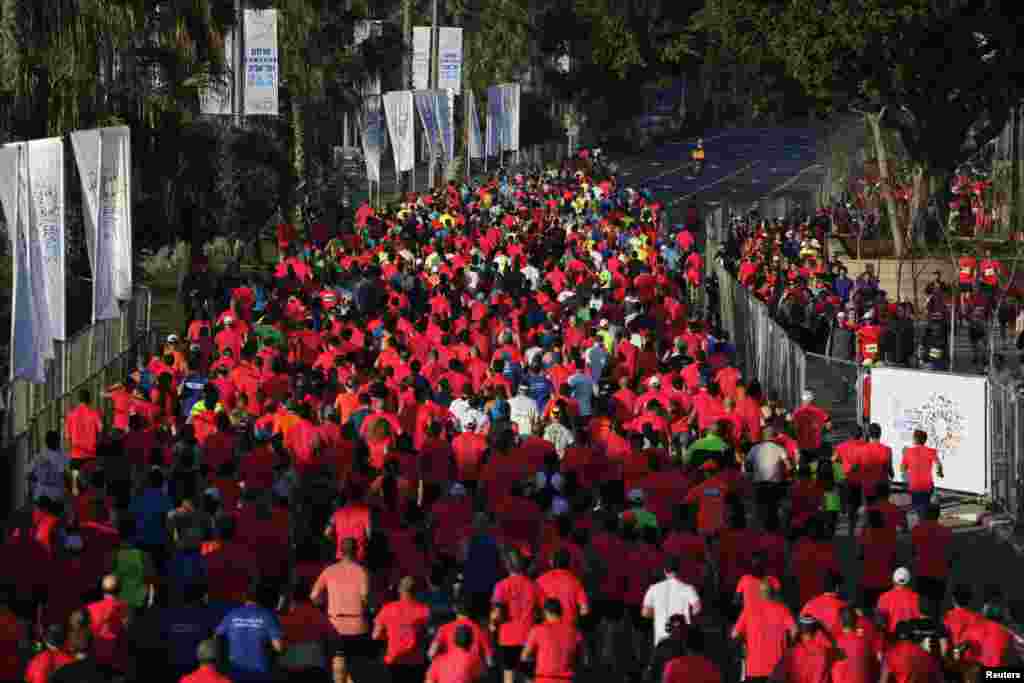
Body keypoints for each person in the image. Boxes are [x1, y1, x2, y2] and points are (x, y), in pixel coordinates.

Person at [311, 538, 370, 683]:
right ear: (357, 551)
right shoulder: (362, 572)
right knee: (355, 669)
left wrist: (324, 604)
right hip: (357, 625)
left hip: (334, 624)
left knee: (338, 667)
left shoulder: (329, 570)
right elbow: (365, 597)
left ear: (340, 551)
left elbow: (314, 596)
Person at [216, 577, 286, 682]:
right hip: (260, 675)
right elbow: (279, 648)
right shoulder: (268, 616)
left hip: (235, 673)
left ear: (245, 598)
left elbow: (217, 638)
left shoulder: (231, 614)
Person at [490, 550, 541, 683]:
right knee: (529, 676)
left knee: (509, 674)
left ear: (507, 565)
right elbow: (542, 610)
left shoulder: (501, 586)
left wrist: (493, 624)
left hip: (507, 638)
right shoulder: (534, 586)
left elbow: (497, 613)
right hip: (528, 636)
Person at [731, 581, 796, 682]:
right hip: (776, 669)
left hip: (754, 669)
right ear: (773, 593)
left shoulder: (748, 610)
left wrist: (744, 643)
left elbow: (734, 634)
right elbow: (794, 631)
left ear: (759, 593)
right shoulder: (782, 610)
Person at [372, 576, 430, 683]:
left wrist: (389, 636)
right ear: (416, 591)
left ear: (399, 590)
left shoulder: (387, 609)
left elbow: (376, 636)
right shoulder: (424, 610)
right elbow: (428, 635)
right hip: (416, 662)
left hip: (394, 660)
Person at [641, 555, 702, 646]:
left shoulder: (653, 589)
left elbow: (645, 613)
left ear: (665, 571)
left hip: (662, 635)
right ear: (679, 570)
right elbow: (697, 608)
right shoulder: (688, 588)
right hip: (682, 635)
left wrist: (660, 615)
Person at [522, 599, 583, 683]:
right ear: (561, 612)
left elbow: (525, 656)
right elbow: (579, 657)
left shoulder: (537, 630)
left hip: (543, 679)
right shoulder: (574, 631)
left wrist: (528, 679)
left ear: (546, 612)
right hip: (566, 679)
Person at [910, 504, 953, 616]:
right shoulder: (946, 531)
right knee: (937, 604)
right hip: (939, 572)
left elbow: (913, 551)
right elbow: (950, 554)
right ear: (938, 515)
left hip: (922, 572)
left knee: (923, 605)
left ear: (925, 514)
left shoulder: (916, 530)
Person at [900, 430, 942, 522]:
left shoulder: (908, 452)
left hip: (914, 486)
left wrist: (904, 456)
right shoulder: (931, 451)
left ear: (914, 439)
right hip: (927, 486)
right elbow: (938, 464)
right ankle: (927, 526)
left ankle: (922, 526)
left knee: (918, 509)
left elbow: (902, 469)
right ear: (925, 440)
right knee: (926, 507)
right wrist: (940, 473)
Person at [876, 568, 923, 634]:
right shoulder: (915, 596)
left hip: (891, 637)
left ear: (893, 579)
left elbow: (880, 622)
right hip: (910, 637)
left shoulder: (883, 597)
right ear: (908, 580)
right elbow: (920, 618)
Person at [28, 430, 69, 504]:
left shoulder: (39, 455)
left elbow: (29, 475)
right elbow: (64, 475)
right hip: (55, 497)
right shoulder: (62, 456)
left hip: (39, 495)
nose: (59, 442)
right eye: (58, 440)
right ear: (57, 441)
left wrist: (40, 479)